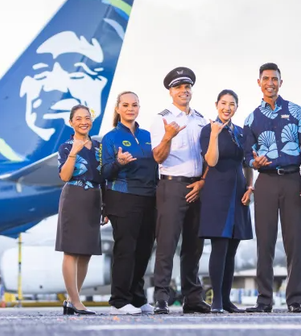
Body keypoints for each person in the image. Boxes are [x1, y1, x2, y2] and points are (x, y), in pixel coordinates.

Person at [243, 62, 301, 313]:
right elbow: (245, 155)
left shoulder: (296, 111)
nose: (270, 82)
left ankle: (295, 301)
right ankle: (264, 301)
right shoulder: (251, 118)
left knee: (294, 243)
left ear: (280, 83)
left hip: (293, 180)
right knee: (265, 242)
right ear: (259, 82)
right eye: (266, 78)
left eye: (274, 79)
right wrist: (254, 161)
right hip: (266, 182)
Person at [150, 66, 210, 314]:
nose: (184, 91)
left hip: (197, 185)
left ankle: (192, 297)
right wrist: (168, 137)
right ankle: (161, 297)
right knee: (167, 243)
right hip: (172, 185)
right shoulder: (162, 119)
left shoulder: (201, 120)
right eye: (178, 87)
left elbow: (208, 157)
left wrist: (203, 181)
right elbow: (157, 157)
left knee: (194, 245)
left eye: (187, 87)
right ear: (170, 92)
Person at [100, 91, 157, 315]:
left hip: (149, 198)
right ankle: (119, 301)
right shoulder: (111, 138)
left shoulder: (148, 136)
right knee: (126, 249)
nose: (130, 108)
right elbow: (104, 172)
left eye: (134, 105)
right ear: (118, 109)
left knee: (144, 250)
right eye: (125, 105)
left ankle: (137, 297)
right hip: (122, 198)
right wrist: (119, 163)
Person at [199, 89, 253, 314]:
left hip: (238, 190)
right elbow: (210, 160)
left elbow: (247, 162)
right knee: (219, 247)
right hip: (217, 191)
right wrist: (213, 134)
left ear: (236, 107)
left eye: (232, 104)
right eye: (223, 103)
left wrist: (250, 186)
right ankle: (217, 301)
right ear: (216, 104)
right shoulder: (207, 130)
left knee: (232, 249)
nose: (227, 107)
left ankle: (228, 300)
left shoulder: (240, 132)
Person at [56, 104, 105, 316]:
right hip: (74, 197)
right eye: (78, 118)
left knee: (86, 252)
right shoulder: (66, 147)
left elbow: (103, 177)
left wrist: (105, 206)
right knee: (71, 250)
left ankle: (71, 300)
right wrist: (74, 153)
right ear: (71, 122)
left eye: (87, 118)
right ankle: (76, 301)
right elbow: (64, 176)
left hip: (94, 198)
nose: (83, 121)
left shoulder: (98, 147)